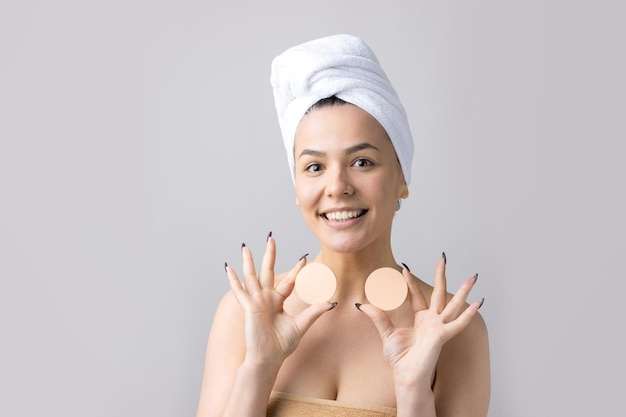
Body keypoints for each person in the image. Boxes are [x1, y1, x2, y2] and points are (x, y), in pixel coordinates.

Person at [196, 34, 490, 417]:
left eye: (362, 162)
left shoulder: (453, 331)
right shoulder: (245, 315)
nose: (337, 187)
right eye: (314, 167)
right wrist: (259, 368)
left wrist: (412, 388)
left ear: (402, 178)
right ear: (298, 188)